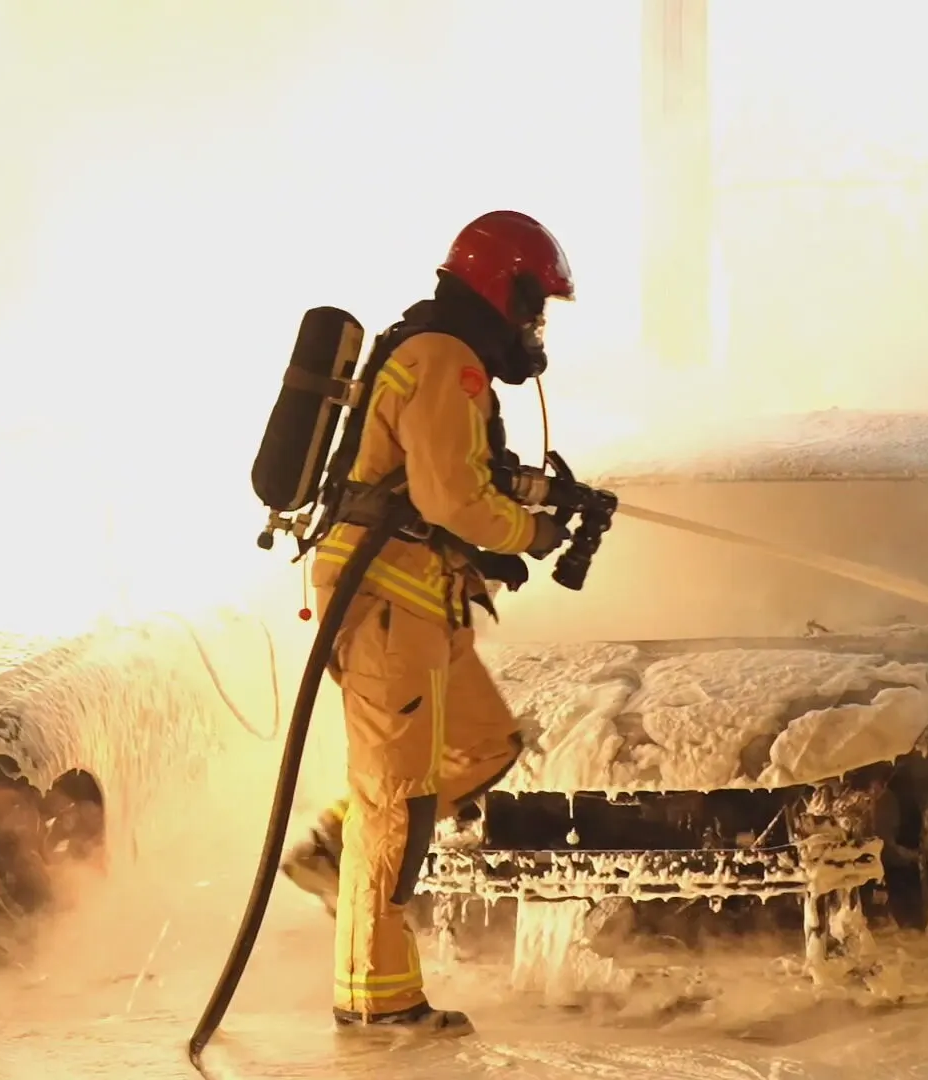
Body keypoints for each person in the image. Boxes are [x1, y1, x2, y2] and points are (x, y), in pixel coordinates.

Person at [279, 210, 576, 1039]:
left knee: (487, 745)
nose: (534, 326)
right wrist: (530, 534)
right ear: (500, 285)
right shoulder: (445, 359)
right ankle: (377, 1003)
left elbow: (453, 476)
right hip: (385, 602)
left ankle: (337, 843)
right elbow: (450, 497)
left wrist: (548, 500)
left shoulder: (450, 359)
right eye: (532, 304)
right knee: (400, 802)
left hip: (420, 597)